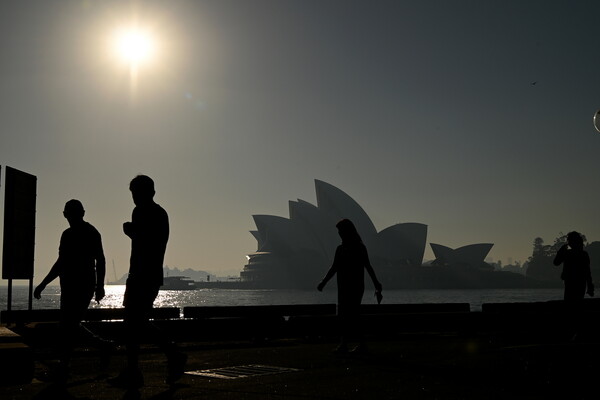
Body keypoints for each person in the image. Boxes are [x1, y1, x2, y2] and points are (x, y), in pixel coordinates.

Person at [109, 175, 186, 390]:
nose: (135, 198)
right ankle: (137, 370)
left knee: (136, 323)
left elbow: (151, 242)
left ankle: (170, 355)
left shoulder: (157, 214)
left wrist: (131, 231)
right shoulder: (142, 212)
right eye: (133, 194)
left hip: (147, 275)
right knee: (133, 324)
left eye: (137, 193)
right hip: (138, 275)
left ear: (150, 193)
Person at [34, 199, 110, 383]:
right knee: (69, 324)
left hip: (81, 285)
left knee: (69, 324)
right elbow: (62, 262)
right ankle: (97, 347)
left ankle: (69, 362)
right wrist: (43, 283)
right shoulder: (71, 234)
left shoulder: (87, 233)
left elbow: (99, 260)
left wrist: (99, 286)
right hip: (71, 285)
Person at [317, 218, 383, 354]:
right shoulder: (340, 249)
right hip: (343, 287)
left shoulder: (359, 248)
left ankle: (358, 344)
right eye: (339, 232)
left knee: (353, 315)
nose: (340, 234)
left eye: (341, 231)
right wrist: (324, 281)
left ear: (348, 231)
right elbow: (334, 267)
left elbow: (368, 266)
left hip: (355, 287)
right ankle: (345, 344)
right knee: (343, 315)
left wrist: (376, 283)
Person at [553, 231, 594, 302]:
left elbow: (556, 262)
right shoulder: (583, 254)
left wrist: (561, 251)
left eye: (569, 240)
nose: (568, 242)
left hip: (570, 283)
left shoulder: (568, 254)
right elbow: (588, 272)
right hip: (580, 283)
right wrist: (590, 286)